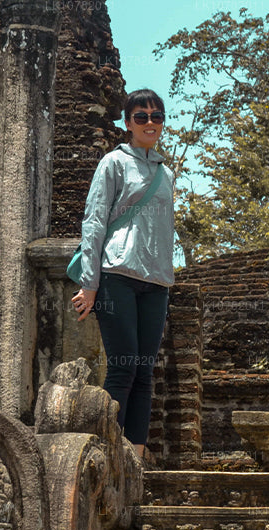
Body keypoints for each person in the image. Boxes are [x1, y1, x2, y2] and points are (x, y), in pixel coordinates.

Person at [70, 89, 175, 459]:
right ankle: (111, 453)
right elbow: (94, 222)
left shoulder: (166, 173)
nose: (150, 123)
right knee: (123, 366)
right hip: (116, 274)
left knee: (145, 371)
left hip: (157, 282)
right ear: (128, 123)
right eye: (141, 116)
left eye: (156, 116)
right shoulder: (113, 163)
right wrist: (90, 284)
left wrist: (167, 275)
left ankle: (136, 454)